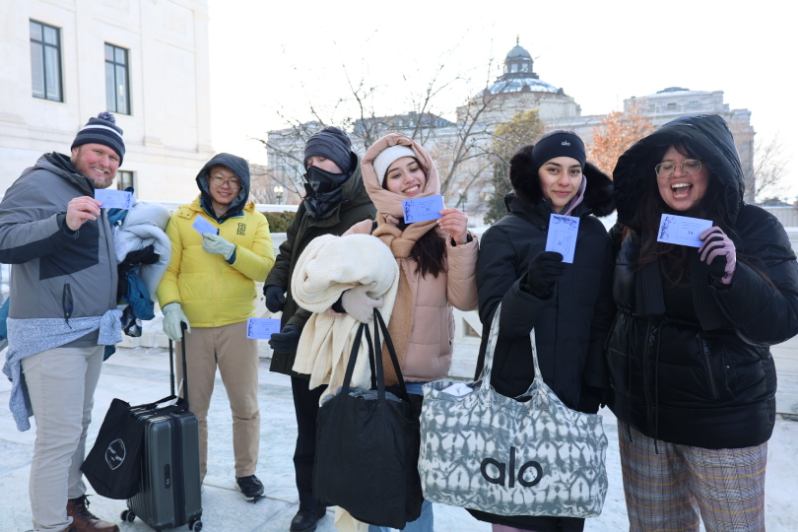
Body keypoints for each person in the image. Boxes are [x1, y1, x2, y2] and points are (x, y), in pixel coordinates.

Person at [607, 114, 798, 531]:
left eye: (690, 162)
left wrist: (734, 274)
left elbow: (783, 318)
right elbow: (609, 311)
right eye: (666, 165)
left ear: (713, 168)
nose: (677, 174)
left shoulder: (753, 227)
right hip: (645, 423)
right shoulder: (634, 231)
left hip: (722, 424)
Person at [474, 131, 615, 532]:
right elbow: (496, 320)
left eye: (573, 171)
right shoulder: (504, 233)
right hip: (516, 398)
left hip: (574, 402)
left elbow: (602, 315)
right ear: (536, 174)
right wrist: (530, 286)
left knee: (565, 515)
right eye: (553, 169)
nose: (564, 180)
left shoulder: (593, 235)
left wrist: (595, 384)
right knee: (518, 513)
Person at [341, 132, 479, 531]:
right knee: (375, 488)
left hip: (423, 385)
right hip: (371, 381)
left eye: (413, 169)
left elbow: (466, 299)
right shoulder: (366, 233)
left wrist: (461, 242)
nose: (409, 180)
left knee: (418, 492)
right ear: (381, 186)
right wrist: (344, 301)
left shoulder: (445, 228)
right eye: (395, 175)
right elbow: (321, 285)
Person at [0, 112, 126, 532]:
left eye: (113, 156)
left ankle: (72, 509)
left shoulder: (87, 190)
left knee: (77, 427)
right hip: (51, 332)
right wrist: (62, 221)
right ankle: (50, 525)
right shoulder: (40, 181)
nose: (106, 162)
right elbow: (3, 238)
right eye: (98, 151)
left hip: (89, 331)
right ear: (76, 151)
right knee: (57, 439)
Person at [262, 126, 375, 532]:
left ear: (344, 165)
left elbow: (347, 280)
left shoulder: (364, 211)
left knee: (340, 426)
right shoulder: (309, 205)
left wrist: (302, 318)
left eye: (323, 162)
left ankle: (345, 502)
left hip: (338, 338)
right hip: (298, 334)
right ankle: (309, 504)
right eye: (310, 163)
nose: (315, 170)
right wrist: (276, 281)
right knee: (307, 427)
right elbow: (289, 251)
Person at [156, 153, 275, 501]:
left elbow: (266, 268)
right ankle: (194, 473)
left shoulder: (255, 222)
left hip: (238, 325)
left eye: (233, 180)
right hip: (193, 327)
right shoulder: (182, 219)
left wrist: (231, 251)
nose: (225, 185)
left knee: (246, 404)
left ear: (243, 185)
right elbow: (168, 271)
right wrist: (171, 305)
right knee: (194, 409)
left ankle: (246, 471)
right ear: (205, 180)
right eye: (218, 177)